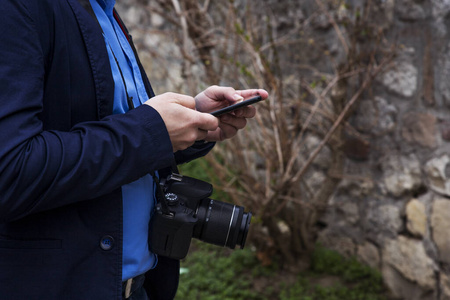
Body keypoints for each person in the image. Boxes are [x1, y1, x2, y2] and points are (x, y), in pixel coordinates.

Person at [0, 0, 268, 299]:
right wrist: (151, 130)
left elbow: (120, 138)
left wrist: (193, 121)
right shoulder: (17, 8)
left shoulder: (108, 14)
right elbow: (11, 170)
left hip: (138, 286)